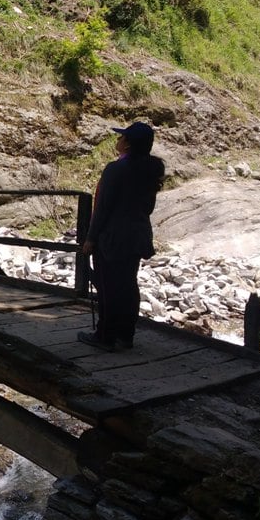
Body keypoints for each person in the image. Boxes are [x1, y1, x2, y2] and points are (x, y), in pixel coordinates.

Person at [79, 122, 166, 351]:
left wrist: (90, 238)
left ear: (127, 143)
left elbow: (102, 208)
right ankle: (126, 335)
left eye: (121, 138)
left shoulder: (115, 169)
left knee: (107, 286)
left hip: (111, 237)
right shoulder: (150, 170)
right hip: (136, 235)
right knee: (128, 285)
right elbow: (148, 206)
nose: (117, 141)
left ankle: (105, 335)